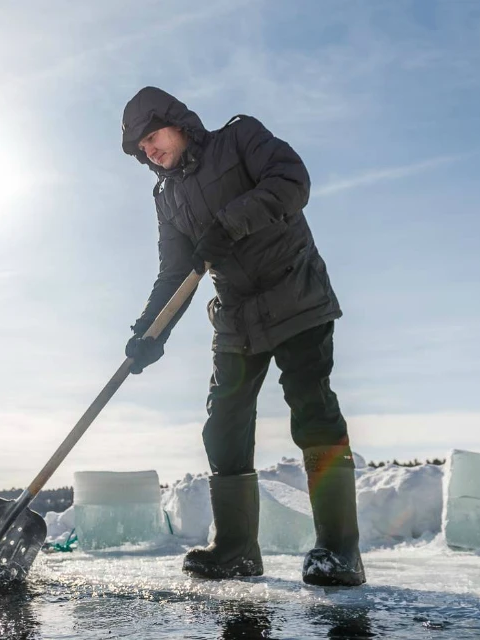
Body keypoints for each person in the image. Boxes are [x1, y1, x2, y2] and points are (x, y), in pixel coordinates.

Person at [120, 86, 365, 587]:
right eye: (140, 147)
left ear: (179, 123)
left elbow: (292, 181)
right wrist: (150, 332)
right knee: (224, 425)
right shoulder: (168, 198)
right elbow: (175, 273)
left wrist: (229, 225)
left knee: (312, 410)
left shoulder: (241, 138)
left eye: (151, 136)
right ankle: (235, 550)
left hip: (295, 293)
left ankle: (340, 551)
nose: (148, 150)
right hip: (236, 317)